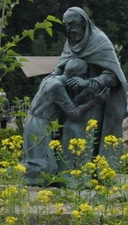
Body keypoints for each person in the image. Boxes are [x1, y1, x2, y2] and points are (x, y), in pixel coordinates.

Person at [51, 7, 127, 164]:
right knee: (68, 133)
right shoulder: (70, 43)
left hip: (94, 99)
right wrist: (52, 78)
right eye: (66, 25)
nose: (69, 29)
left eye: (72, 24)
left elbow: (113, 75)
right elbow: (61, 64)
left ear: (84, 22)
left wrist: (88, 82)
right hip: (72, 98)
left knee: (87, 135)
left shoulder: (100, 41)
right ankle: (68, 173)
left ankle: (87, 174)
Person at [23, 58, 110, 186]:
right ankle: (8, 173)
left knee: (38, 163)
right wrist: (96, 101)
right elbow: (74, 114)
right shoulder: (57, 86)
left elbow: (64, 105)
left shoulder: (49, 79)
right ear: (74, 75)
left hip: (33, 122)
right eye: (83, 74)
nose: (85, 77)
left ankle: (12, 173)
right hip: (38, 125)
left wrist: (85, 93)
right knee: (45, 168)